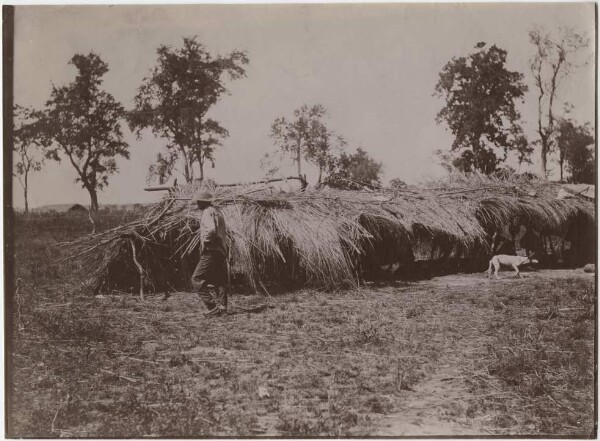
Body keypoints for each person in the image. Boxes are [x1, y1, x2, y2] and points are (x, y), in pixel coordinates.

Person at [191, 192, 229, 316]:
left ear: (203, 202)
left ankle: (212, 307)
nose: (197, 204)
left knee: (196, 279)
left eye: (198, 201)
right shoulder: (217, 212)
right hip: (220, 251)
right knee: (219, 280)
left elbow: (211, 229)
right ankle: (223, 308)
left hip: (211, 250)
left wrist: (207, 241)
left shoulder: (207, 212)